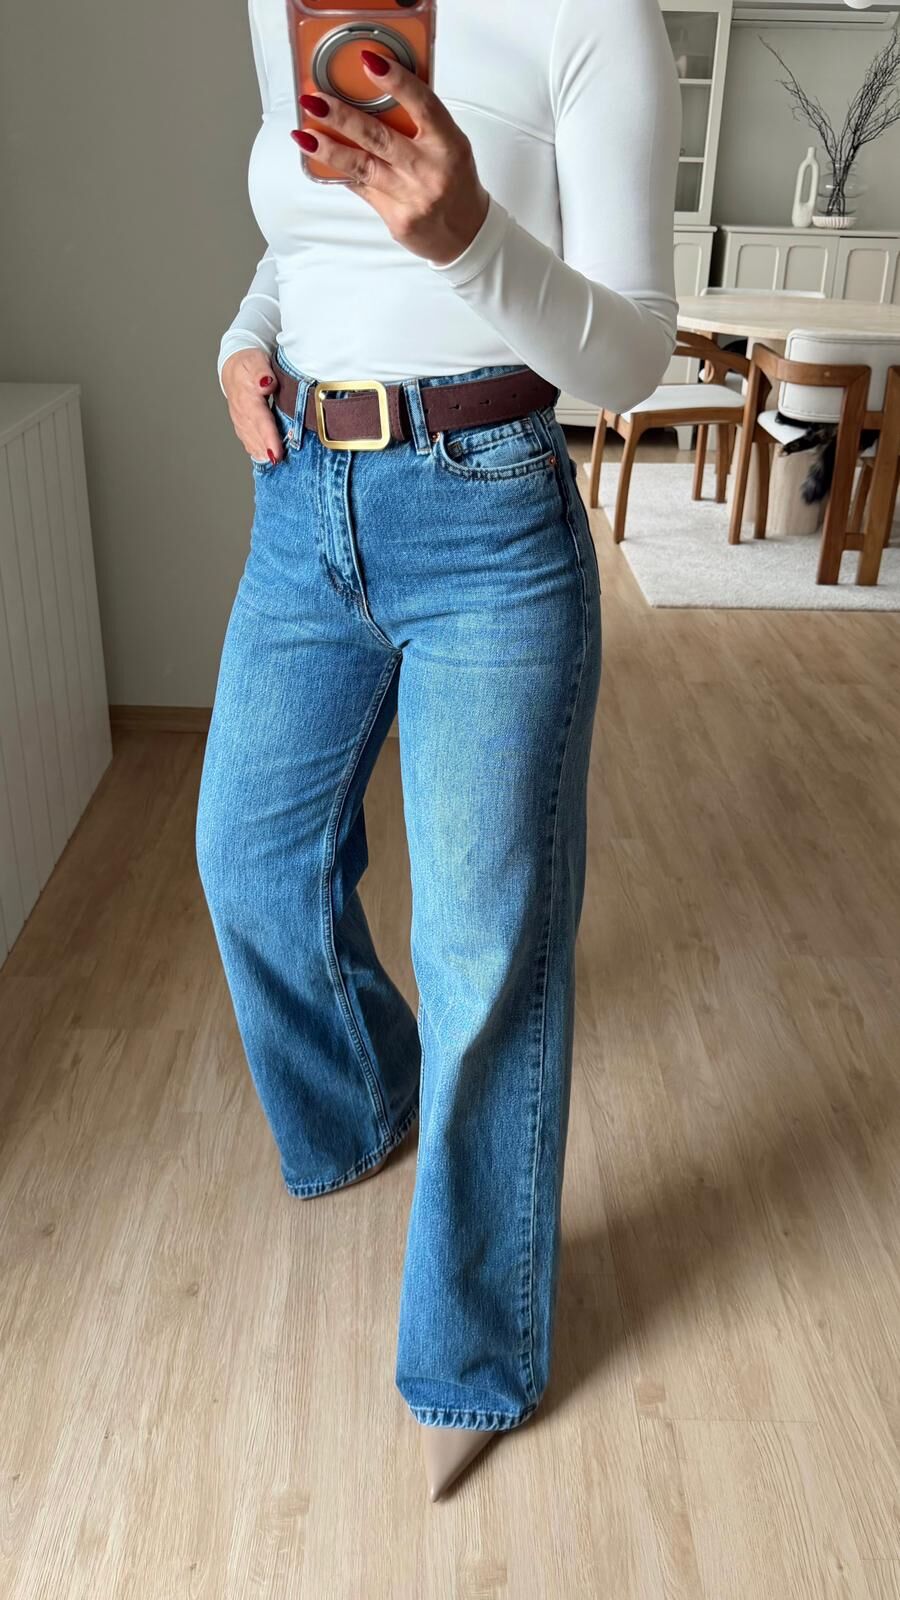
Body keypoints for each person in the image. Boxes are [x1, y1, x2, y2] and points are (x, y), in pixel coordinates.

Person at [196, 0, 680, 1501]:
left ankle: (476, 1350)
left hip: (490, 510)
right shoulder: (285, 9)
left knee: (484, 946)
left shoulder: (594, 20)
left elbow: (634, 356)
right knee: (248, 862)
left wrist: (468, 235)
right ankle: (374, 1105)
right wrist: (247, 339)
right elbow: (302, 232)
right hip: (302, 502)